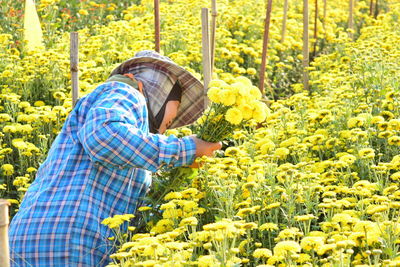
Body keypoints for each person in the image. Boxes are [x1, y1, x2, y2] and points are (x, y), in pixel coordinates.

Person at [8, 50, 221, 266]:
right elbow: (103, 137)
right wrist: (185, 149)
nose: (166, 129)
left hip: (44, 239)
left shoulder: (129, 124)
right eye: (170, 120)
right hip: (65, 241)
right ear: (160, 93)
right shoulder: (125, 92)